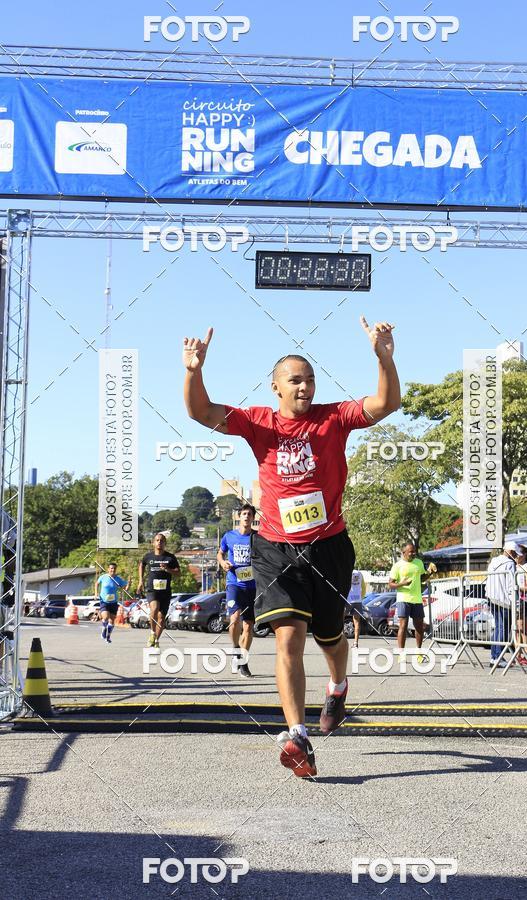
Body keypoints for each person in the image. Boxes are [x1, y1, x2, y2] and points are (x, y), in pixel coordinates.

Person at [183, 317, 400, 777]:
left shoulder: (334, 417)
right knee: (288, 637)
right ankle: (297, 734)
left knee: (331, 637)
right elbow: (201, 413)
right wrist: (193, 370)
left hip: (329, 546)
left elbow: (385, 404)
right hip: (276, 548)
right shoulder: (258, 422)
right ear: (276, 387)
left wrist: (384, 359)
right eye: (295, 380)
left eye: (310, 380)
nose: (305, 387)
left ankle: (338, 686)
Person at [218, 503, 257, 678]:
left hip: (253, 586)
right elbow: (220, 553)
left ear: (253, 518)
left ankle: (243, 662)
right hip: (234, 584)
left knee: (249, 626)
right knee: (234, 619)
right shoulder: (229, 536)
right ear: (239, 517)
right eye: (244, 514)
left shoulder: (257, 538)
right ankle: (235, 649)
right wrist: (223, 562)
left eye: (249, 514)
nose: (246, 516)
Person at [389, 543, 436, 662]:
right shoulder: (397, 565)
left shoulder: (418, 563)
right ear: (403, 552)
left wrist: (429, 572)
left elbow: (421, 579)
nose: (413, 553)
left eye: (414, 551)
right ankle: (401, 654)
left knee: (419, 627)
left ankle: (419, 653)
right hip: (403, 599)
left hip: (416, 599)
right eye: (411, 551)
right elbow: (390, 584)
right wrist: (402, 584)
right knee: (403, 626)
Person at [137, 533, 180, 649]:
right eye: (157, 540)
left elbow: (178, 573)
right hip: (152, 589)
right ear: (153, 543)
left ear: (165, 543)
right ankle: (152, 633)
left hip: (165, 591)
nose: (159, 542)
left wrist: (168, 569)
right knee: (154, 609)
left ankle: (156, 639)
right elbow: (141, 565)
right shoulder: (148, 556)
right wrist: (140, 581)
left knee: (161, 618)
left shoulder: (170, 558)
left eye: (162, 540)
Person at [486, 541, 523, 668]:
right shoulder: (510, 564)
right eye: (515, 553)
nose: (516, 556)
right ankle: (499, 657)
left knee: (497, 628)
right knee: (503, 628)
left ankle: (494, 656)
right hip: (504, 600)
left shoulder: (493, 562)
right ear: (511, 552)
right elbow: (510, 586)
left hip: (492, 597)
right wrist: (516, 604)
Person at [95, 563, 130, 643]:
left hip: (114, 602)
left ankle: (108, 636)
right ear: (108, 569)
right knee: (106, 617)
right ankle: (104, 630)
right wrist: (96, 594)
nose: (112, 570)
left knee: (112, 621)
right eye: (111, 568)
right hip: (104, 601)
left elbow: (125, 588)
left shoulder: (118, 579)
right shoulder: (103, 577)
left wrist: (129, 584)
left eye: (114, 568)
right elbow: (96, 584)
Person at [515, 548, 527, 666]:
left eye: (520, 554)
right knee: (516, 629)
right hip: (514, 600)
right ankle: (517, 655)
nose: (517, 556)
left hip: (523, 600)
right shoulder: (513, 566)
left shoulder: (526, 567)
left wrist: (518, 588)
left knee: (522, 628)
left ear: (524, 554)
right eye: (516, 554)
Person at [346, 569, 366, 648]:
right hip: (358, 601)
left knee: (340, 620)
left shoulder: (346, 572)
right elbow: (363, 588)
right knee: (357, 623)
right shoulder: (360, 574)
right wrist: (361, 598)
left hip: (348, 600)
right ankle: (355, 643)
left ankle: (341, 641)